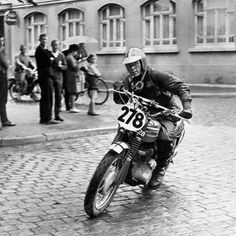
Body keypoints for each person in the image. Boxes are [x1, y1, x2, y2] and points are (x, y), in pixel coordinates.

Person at [113, 47, 192, 189]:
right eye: (129, 65)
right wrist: (118, 90)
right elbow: (121, 100)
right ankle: (124, 161)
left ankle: (160, 167)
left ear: (142, 62)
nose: (132, 67)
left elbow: (181, 86)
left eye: (135, 63)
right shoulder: (129, 79)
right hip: (143, 113)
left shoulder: (155, 75)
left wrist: (187, 107)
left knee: (165, 135)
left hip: (165, 113)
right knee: (126, 130)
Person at [35, 33, 59, 125]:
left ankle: (44, 118)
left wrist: (52, 59)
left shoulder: (45, 50)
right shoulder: (40, 50)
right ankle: (47, 118)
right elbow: (50, 61)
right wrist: (52, 60)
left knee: (46, 97)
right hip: (45, 76)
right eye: (43, 39)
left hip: (47, 76)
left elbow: (54, 59)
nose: (45, 41)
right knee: (47, 97)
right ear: (40, 40)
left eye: (46, 39)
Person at [0, 34, 16, 128]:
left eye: (2, 40)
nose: (2, 42)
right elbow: (5, 63)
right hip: (1, 74)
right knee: (2, 99)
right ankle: (4, 120)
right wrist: (8, 63)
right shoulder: (1, 50)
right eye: (1, 40)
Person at [50, 39, 67, 121]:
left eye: (57, 45)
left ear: (58, 46)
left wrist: (61, 67)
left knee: (58, 96)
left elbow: (66, 67)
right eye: (54, 45)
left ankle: (57, 115)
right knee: (50, 96)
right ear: (51, 46)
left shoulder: (61, 55)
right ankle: (49, 115)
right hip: (50, 77)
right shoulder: (49, 54)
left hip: (59, 78)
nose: (55, 47)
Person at [65, 44, 80, 113]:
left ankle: (72, 106)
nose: (76, 53)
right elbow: (74, 67)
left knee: (72, 92)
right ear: (74, 51)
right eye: (76, 51)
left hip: (70, 75)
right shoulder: (70, 57)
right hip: (71, 76)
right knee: (72, 92)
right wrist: (79, 63)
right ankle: (72, 107)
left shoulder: (70, 57)